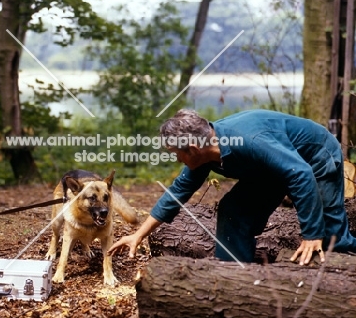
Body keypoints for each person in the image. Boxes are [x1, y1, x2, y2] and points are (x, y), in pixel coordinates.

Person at [107, 109, 356, 265]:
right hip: (273, 167)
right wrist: (139, 235)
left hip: (314, 157)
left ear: (192, 150)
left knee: (333, 238)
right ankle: (234, 274)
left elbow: (300, 173)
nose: (177, 160)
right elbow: (178, 192)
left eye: (176, 154)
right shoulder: (205, 153)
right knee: (233, 211)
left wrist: (312, 233)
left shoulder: (249, 141)